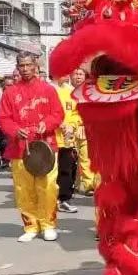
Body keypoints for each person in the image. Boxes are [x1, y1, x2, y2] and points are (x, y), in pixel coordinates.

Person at [0, 52, 65, 242]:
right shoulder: (10, 92)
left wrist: (47, 124)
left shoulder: (48, 90)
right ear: (17, 68)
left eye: (29, 65)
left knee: (48, 187)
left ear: (36, 66)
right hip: (20, 148)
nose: (25, 69)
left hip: (45, 147)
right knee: (24, 189)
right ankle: (31, 226)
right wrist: (15, 130)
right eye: (22, 65)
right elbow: (3, 118)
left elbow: (58, 114)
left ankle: (48, 225)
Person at [55, 69, 87, 214]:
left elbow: (77, 113)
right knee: (50, 172)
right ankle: (49, 200)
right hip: (50, 138)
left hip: (67, 139)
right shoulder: (49, 90)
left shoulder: (72, 93)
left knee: (67, 170)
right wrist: (58, 123)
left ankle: (64, 200)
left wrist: (72, 125)